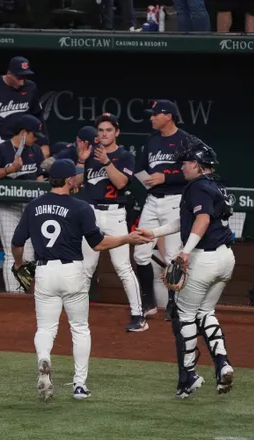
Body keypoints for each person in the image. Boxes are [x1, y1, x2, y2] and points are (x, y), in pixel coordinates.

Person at [11, 159, 151, 401]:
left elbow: (17, 243)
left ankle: (44, 358)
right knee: (79, 329)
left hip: (45, 272)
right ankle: (79, 385)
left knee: (45, 328)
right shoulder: (81, 207)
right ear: (68, 180)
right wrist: (126, 238)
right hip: (73, 272)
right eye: (75, 176)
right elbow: (99, 243)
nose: (78, 178)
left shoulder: (33, 206)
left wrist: (19, 264)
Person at [143, 138, 235, 399]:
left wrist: (184, 252)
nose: (181, 167)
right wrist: (154, 232)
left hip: (203, 258)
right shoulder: (214, 184)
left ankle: (188, 378)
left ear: (196, 164)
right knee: (206, 312)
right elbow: (187, 218)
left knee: (185, 316)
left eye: (185, 163)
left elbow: (202, 219)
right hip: (226, 258)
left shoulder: (196, 187)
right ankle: (222, 364)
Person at [75, 115, 146, 332]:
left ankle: (138, 315)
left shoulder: (124, 155)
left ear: (117, 132)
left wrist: (106, 161)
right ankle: (78, 314)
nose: (104, 133)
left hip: (115, 214)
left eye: (108, 129)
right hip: (91, 213)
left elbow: (121, 183)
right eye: (100, 130)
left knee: (123, 266)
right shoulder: (89, 154)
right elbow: (76, 184)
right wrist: (80, 161)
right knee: (87, 267)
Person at [134, 100, 189, 319]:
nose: (151, 118)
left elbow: (195, 171)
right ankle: (148, 303)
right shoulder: (152, 140)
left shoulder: (185, 140)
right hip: (152, 200)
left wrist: (166, 177)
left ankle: (174, 305)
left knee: (173, 256)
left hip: (175, 200)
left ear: (168, 116)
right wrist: (147, 180)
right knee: (140, 253)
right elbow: (139, 169)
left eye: (155, 114)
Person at [0, 114, 45, 292]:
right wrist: (10, 169)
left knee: (30, 254)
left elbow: (40, 177)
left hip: (30, 207)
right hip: (8, 205)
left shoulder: (36, 151)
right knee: (12, 252)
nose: (36, 139)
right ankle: (13, 296)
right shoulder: (1, 149)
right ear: (24, 133)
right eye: (34, 135)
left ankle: (24, 291)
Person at [0, 56, 48, 155]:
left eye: (25, 77)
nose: (22, 82)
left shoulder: (30, 87)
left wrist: (44, 143)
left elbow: (38, 115)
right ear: (9, 74)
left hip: (23, 140)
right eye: (19, 77)